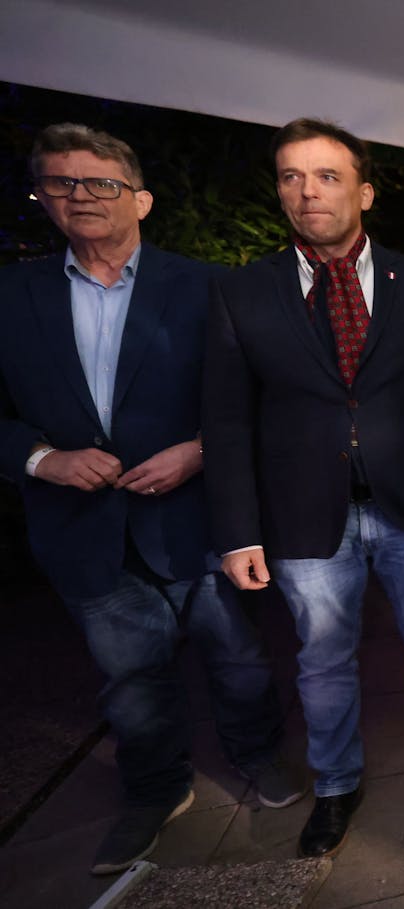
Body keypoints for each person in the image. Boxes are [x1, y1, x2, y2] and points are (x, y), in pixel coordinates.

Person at [203, 118, 404, 860]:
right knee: (321, 658)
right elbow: (226, 417)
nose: (307, 192)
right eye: (290, 177)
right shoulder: (244, 293)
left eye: (327, 175)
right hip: (305, 519)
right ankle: (336, 783)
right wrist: (240, 530)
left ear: (364, 191)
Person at [0, 123, 297, 876]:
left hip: (197, 518)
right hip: (83, 529)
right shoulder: (12, 293)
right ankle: (156, 790)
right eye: (61, 182)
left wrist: (200, 451)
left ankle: (260, 757)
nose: (80, 196)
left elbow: (259, 395)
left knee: (237, 658)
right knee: (130, 680)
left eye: (99, 182)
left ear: (142, 199)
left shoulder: (204, 285)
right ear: (43, 198)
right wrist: (42, 458)